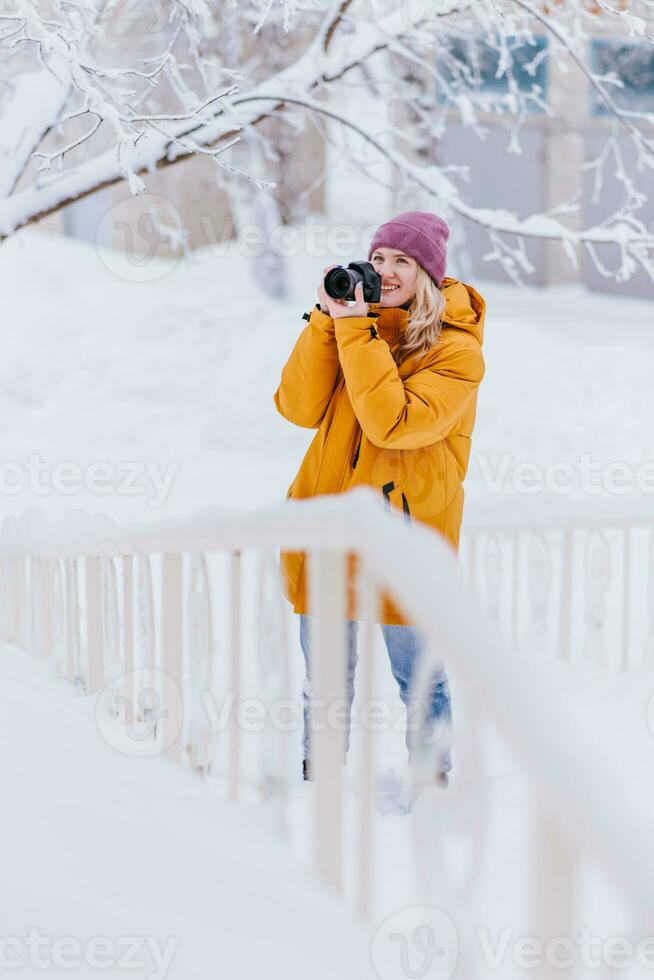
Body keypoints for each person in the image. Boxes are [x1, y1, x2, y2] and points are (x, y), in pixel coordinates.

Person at [273, 210, 486, 788]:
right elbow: (295, 408)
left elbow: (392, 422)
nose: (386, 272)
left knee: (420, 678)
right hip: (328, 523)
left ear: (430, 276)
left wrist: (354, 331)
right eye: (379, 258)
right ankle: (319, 786)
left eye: (402, 262)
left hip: (407, 538)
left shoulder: (456, 352)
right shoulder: (353, 327)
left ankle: (432, 786)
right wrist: (326, 322)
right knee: (325, 677)